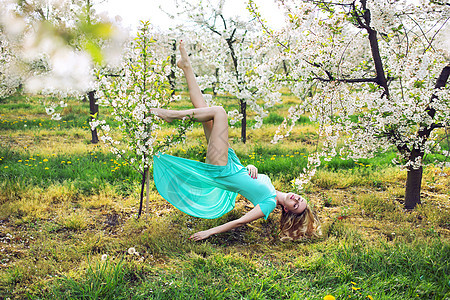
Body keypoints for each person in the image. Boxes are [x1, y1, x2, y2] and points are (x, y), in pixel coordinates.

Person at [152, 41, 321, 241]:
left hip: (222, 169)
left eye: (295, 205)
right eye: (299, 198)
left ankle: (172, 115)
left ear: (286, 209)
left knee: (218, 111)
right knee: (205, 110)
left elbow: (241, 221)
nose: (295, 199)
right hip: (232, 163)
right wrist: (250, 166)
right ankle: (186, 67)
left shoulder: (268, 204)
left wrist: (210, 232)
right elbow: (248, 181)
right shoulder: (271, 188)